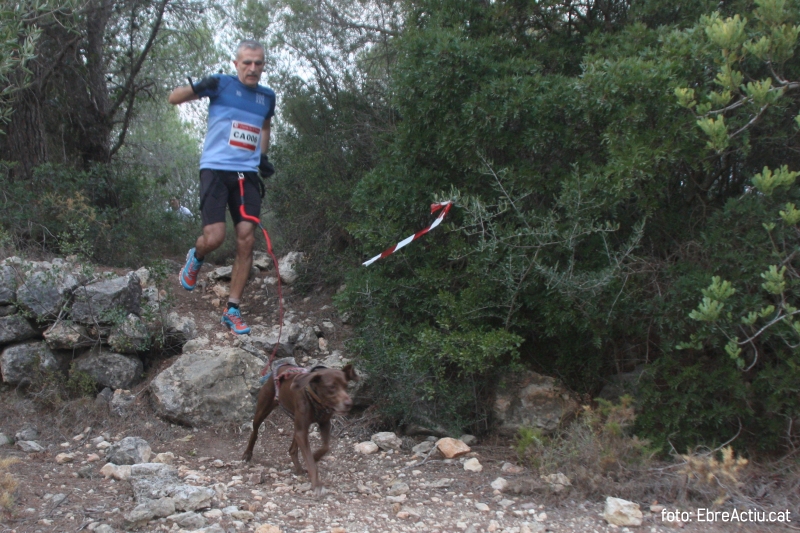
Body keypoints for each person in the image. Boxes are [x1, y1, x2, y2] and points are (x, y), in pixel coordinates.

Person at [168, 39, 276, 335]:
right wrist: (199, 86)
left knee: (246, 239)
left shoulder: (267, 97)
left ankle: (233, 309)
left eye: (258, 63)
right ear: (236, 64)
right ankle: (197, 256)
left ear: (263, 65)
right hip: (215, 170)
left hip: (246, 175)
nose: (253, 68)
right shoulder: (220, 85)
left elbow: (264, 126)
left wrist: (262, 156)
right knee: (214, 237)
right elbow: (173, 99)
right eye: (247, 63)